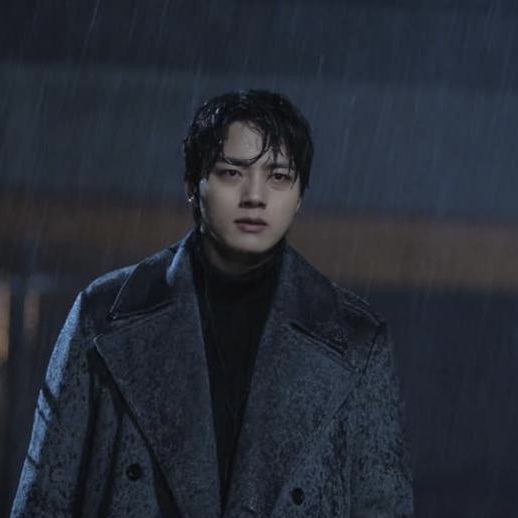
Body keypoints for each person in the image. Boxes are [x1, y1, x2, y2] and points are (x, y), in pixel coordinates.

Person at [11, 90, 414, 517]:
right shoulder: (105, 315)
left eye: (278, 176)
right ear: (193, 184)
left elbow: (383, 507)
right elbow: (44, 501)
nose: (255, 196)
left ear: (300, 196)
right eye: (231, 173)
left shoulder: (354, 340)